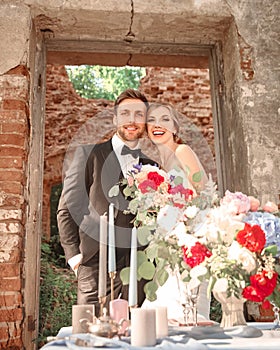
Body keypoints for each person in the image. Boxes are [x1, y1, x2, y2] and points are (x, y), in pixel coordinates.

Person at [57, 89, 156, 316]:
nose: (132, 120)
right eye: (125, 113)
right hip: (95, 263)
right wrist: (74, 256)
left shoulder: (153, 167)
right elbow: (67, 208)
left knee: (136, 334)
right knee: (91, 333)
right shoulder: (88, 155)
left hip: (138, 266)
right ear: (114, 119)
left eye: (138, 114)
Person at [142, 102, 211, 323]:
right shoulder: (160, 165)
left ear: (175, 127)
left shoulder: (183, 151)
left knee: (184, 311)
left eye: (164, 119)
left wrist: (182, 221)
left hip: (190, 241)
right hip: (170, 243)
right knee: (162, 312)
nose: (157, 125)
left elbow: (203, 194)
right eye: (151, 120)